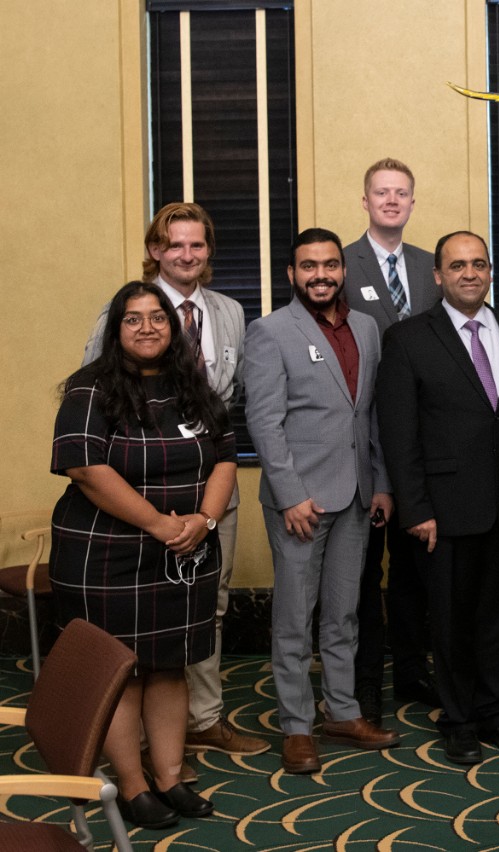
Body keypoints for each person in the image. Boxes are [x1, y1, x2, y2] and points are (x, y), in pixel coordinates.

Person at [83, 203, 267, 772]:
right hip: (139, 496)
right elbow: (96, 393)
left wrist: (210, 502)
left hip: (211, 491)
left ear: (209, 252)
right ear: (156, 251)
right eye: (175, 246)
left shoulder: (231, 311)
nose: (187, 255)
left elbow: (227, 402)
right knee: (140, 616)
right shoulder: (127, 310)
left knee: (204, 608)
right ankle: (138, 740)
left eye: (198, 245)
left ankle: (202, 721)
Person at [52, 281, 234, 829]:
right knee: (126, 672)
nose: (148, 328)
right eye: (134, 320)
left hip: (185, 554)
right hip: (108, 556)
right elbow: (85, 467)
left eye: (158, 318)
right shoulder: (90, 390)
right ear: (116, 330)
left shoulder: (194, 387)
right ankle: (133, 787)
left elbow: (225, 457)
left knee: (170, 665)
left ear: (173, 328)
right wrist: (160, 524)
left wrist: (203, 521)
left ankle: (170, 777)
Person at [376, 231, 499, 765]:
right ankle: (459, 719)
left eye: (479, 264)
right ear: (438, 276)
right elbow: (399, 435)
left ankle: (498, 713)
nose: (469, 273)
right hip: (444, 511)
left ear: (491, 272)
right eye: (457, 265)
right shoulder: (407, 339)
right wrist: (416, 508)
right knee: (450, 620)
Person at [244, 228, 399, 775]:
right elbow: (264, 421)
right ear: (291, 274)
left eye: (330, 265)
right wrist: (290, 496)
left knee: (344, 615)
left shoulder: (366, 328)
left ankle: (343, 711)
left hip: (356, 493)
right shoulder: (269, 331)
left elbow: (372, 413)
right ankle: (296, 726)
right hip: (301, 502)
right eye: (308, 266)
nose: (320, 275)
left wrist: (381, 482)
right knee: (294, 619)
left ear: (343, 270)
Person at [343, 158, 441, 722]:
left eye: (401, 193)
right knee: (361, 576)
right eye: (381, 192)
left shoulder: (433, 266)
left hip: (423, 448)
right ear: (365, 201)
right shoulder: (342, 263)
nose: (391, 201)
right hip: (361, 442)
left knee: (414, 573)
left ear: (411, 201)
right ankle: (363, 685)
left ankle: (411, 671)